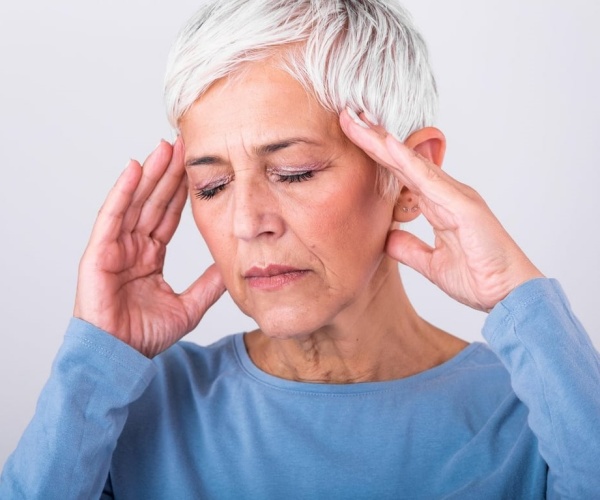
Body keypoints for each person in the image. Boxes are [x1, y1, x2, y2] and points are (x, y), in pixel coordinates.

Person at [1, 0, 599, 498]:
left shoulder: (538, 414)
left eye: (293, 172)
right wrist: (94, 364)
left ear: (412, 177)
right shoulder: (131, 409)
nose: (246, 222)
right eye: (211, 185)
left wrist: (523, 301)